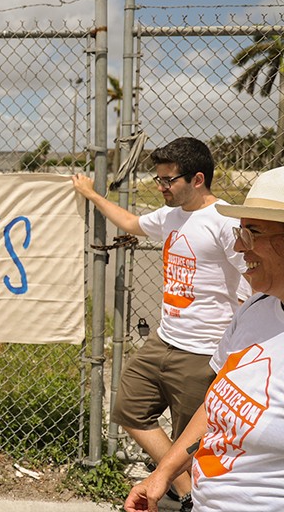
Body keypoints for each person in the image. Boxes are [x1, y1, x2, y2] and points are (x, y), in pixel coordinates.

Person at [71, 137, 249, 510]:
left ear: (197, 179)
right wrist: (91, 194)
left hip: (204, 352)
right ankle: (184, 492)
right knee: (128, 408)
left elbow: (250, 285)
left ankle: (196, 498)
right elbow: (132, 223)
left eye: (169, 180)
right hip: (164, 340)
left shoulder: (224, 221)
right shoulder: (171, 215)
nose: (161, 187)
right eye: (159, 179)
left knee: (194, 440)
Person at [124, 165, 284, 511]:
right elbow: (215, 405)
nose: (240, 248)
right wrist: (162, 475)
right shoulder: (256, 309)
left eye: (251, 233)